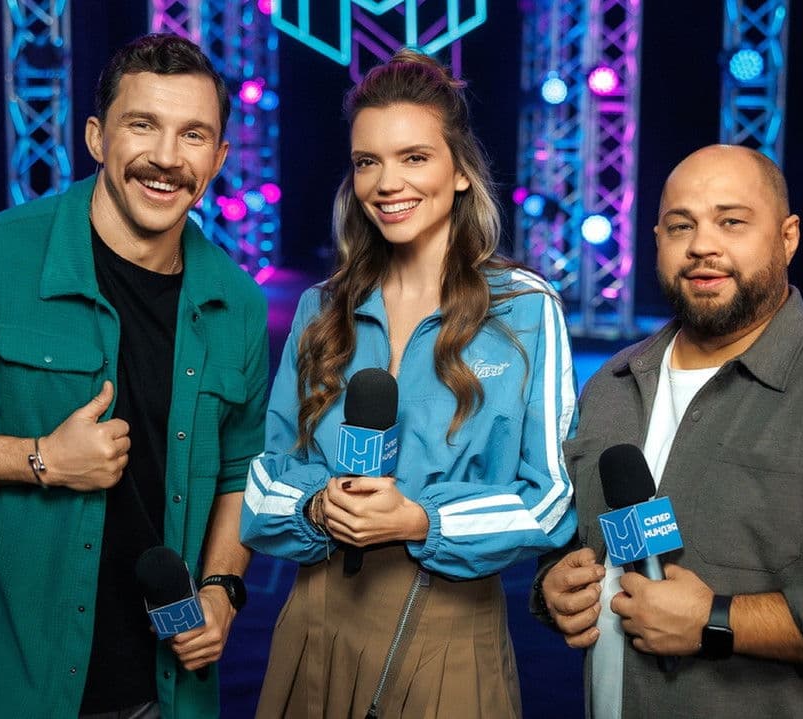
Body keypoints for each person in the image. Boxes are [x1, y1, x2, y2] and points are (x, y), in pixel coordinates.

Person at [0, 33, 267, 719]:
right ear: (97, 137)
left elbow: (240, 473)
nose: (167, 157)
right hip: (8, 686)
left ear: (218, 159)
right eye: (143, 125)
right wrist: (40, 459)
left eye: (193, 135)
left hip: (165, 690)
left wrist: (222, 589)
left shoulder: (237, 302)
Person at [532, 144, 803, 717]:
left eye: (731, 222)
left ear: (788, 237)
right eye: (681, 226)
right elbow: (568, 541)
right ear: (657, 240)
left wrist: (715, 621)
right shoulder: (610, 385)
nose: (702, 245)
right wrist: (554, 587)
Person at [240, 50, 577, 718]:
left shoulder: (525, 309)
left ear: (460, 171)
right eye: (368, 161)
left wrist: (423, 519)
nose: (387, 183)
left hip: (447, 630)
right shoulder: (320, 309)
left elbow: (550, 499)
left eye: (414, 157)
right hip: (315, 625)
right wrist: (317, 508)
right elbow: (262, 483)